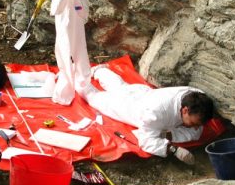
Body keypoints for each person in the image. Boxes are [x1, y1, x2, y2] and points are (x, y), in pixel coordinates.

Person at [80, 66, 214, 165]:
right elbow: (146, 140)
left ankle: (99, 71)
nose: (197, 128)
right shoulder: (155, 114)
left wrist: (167, 135)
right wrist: (173, 149)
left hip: (142, 92)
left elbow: (194, 131)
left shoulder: (196, 95)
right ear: (185, 110)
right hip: (129, 108)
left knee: (120, 87)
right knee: (94, 98)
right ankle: (73, 77)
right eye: (194, 124)